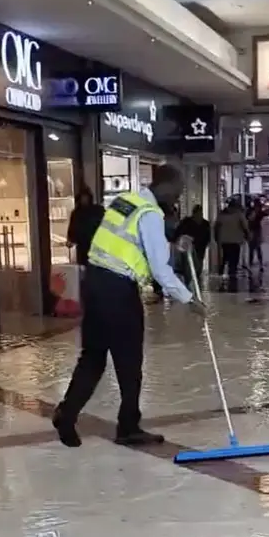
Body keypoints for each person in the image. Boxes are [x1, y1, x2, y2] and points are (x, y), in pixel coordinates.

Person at [52, 164, 205, 449]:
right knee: (129, 361)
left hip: (95, 281)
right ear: (169, 186)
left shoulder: (125, 202)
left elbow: (132, 242)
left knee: (93, 356)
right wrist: (190, 300)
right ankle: (128, 426)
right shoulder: (151, 214)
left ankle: (67, 413)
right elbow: (160, 270)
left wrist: (173, 242)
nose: (178, 198)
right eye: (179, 191)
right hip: (118, 290)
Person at [215, 198, 249, 290]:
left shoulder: (222, 215)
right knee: (233, 261)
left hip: (224, 241)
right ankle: (232, 277)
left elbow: (216, 227)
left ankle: (221, 275)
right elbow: (245, 227)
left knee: (224, 258)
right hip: (235, 241)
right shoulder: (239, 215)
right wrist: (247, 236)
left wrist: (216, 238)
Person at [67, 187, 104, 266]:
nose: (84, 200)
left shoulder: (97, 210)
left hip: (94, 244)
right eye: (83, 197)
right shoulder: (77, 213)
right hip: (84, 245)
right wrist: (71, 238)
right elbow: (73, 228)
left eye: (86, 197)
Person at [174, 204, 211, 284]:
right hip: (189, 245)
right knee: (190, 261)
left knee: (199, 261)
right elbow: (180, 231)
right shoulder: (187, 222)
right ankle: (190, 277)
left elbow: (208, 235)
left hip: (200, 245)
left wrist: (207, 241)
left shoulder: (205, 223)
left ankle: (195, 276)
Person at [246, 198, 265, 269]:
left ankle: (252, 263)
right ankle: (258, 264)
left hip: (253, 231)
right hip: (255, 231)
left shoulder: (253, 211)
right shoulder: (255, 211)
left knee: (254, 248)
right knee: (256, 248)